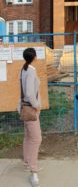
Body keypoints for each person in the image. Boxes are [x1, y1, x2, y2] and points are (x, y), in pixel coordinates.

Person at [19, 48, 42, 187]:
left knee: (28, 136)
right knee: (36, 139)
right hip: (31, 109)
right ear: (34, 57)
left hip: (24, 107)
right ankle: (34, 171)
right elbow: (29, 92)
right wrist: (36, 105)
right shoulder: (31, 70)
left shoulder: (23, 69)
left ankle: (27, 162)